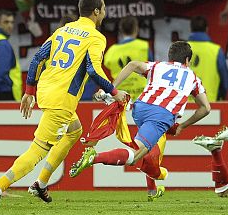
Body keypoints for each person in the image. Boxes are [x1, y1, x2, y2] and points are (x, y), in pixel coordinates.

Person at [0, 0, 129, 208]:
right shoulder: (96, 37)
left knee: (75, 131)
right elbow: (94, 70)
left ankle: (41, 183)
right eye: (103, 8)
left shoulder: (63, 30)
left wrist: (29, 91)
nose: (104, 13)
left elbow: (37, 58)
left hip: (46, 90)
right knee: (38, 150)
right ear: (96, 11)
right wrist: (115, 92)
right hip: (62, 99)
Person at [68, 42, 211, 182]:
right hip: (161, 115)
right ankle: (93, 157)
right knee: (135, 155)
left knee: (149, 148)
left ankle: (152, 189)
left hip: (140, 109)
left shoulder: (157, 66)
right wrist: (182, 125)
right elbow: (205, 108)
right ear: (187, 60)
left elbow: (133, 65)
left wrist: (111, 88)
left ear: (170, 57)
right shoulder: (193, 78)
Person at [102, 16, 152, 101]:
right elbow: (152, 68)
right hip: (143, 95)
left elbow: (107, 66)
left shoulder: (111, 51)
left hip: (121, 95)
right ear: (136, 28)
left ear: (120, 30)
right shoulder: (143, 46)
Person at [186, 16, 228, 101]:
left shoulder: (180, 48)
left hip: (183, 104)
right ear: (206, 29)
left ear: (191, 29)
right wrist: (221, 96)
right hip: (209, 104)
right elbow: (224, 80)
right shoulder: (216, 50)